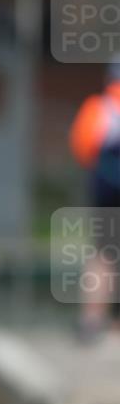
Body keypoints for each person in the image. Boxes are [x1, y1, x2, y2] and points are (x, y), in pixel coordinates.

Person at [69, 59, 120, 341]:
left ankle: (91, 319)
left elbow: (82, 148)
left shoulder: (99, 108)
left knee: (103, 255)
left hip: (106, 194)